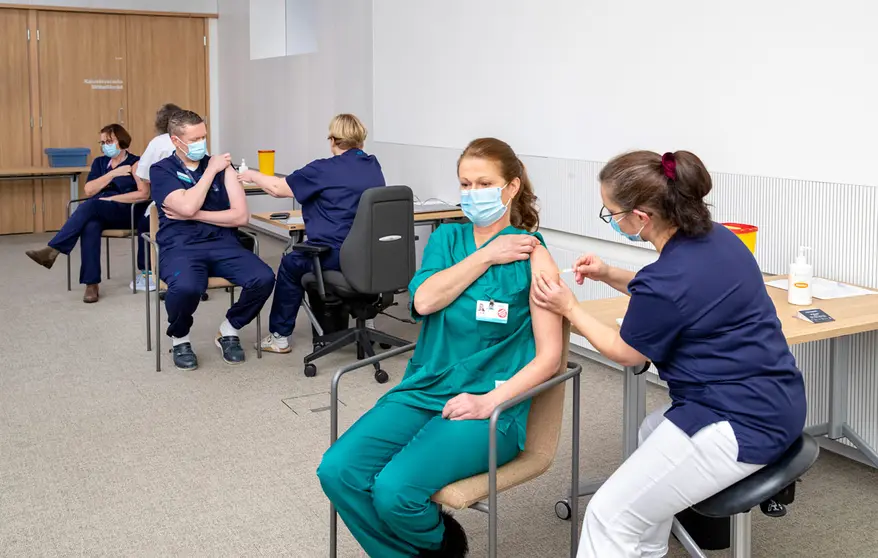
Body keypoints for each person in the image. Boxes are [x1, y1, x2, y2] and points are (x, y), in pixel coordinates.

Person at [530, 150, 807, 558]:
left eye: (611, 213)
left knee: (608, 515)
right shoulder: (717, 238)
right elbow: (666, 292)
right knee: (651, 432)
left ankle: (626, 539)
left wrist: (570, 308)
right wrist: (608, 273)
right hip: (777, 399)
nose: (613, 221)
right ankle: (646, 549)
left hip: (738, 421)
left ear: (640, 217)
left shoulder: (669, 279)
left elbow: (626, 352)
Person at [316, 138, 563, 558]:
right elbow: (425, 300)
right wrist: (486, 256)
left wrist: (490, 402)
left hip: (490, 403)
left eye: (484, 183)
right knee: (338, 472)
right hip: (423, 388)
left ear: (512, 187)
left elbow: (550, 356)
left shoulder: (533, 255)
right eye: (465, 184)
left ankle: (434, 547)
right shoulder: (446, 239)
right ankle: (437, 546)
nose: (472, 193)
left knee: (395, 491)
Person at [237, 114, 385, 354]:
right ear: (361, 140)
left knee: (291, 263)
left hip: (334, 254)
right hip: (370, 255)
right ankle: (367, 321)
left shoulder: (323, 169)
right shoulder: (372, 165)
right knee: (306, 260)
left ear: (333, 140)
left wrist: (251, 175)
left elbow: (277, 188)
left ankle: (279, 336)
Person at [149, 109, 275, 371]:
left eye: (203, 137)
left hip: (223, 244)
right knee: (186, 288)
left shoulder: (223, 168)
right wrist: (211, 173)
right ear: (176, 141)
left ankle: (229, 329)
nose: (201, 144)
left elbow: (240, 216)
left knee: (263, 278)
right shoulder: (161, 170)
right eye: (194, 139)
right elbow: (184, 207)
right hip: (181, 246)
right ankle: (180, 336)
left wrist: (196, 214)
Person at [26, 124, 149, 303]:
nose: (105, 145)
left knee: (91, 206)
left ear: (121, 141)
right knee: (90, 226)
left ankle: (53, 249)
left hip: (126, 212)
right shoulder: (99, 163)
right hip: (101, 209)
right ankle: (91, 284)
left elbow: (143, 193)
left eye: (109, 141)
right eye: (102, 142)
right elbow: (89, 189)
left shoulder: (136, 162)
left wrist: (113, 199)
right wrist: (113, 174)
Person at [129, 102, 183, 292]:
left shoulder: (158, 143)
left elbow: (144, 175)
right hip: (195, 201)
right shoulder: (191, 141)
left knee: (145, 224)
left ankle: (148, 273)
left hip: (166, 204)